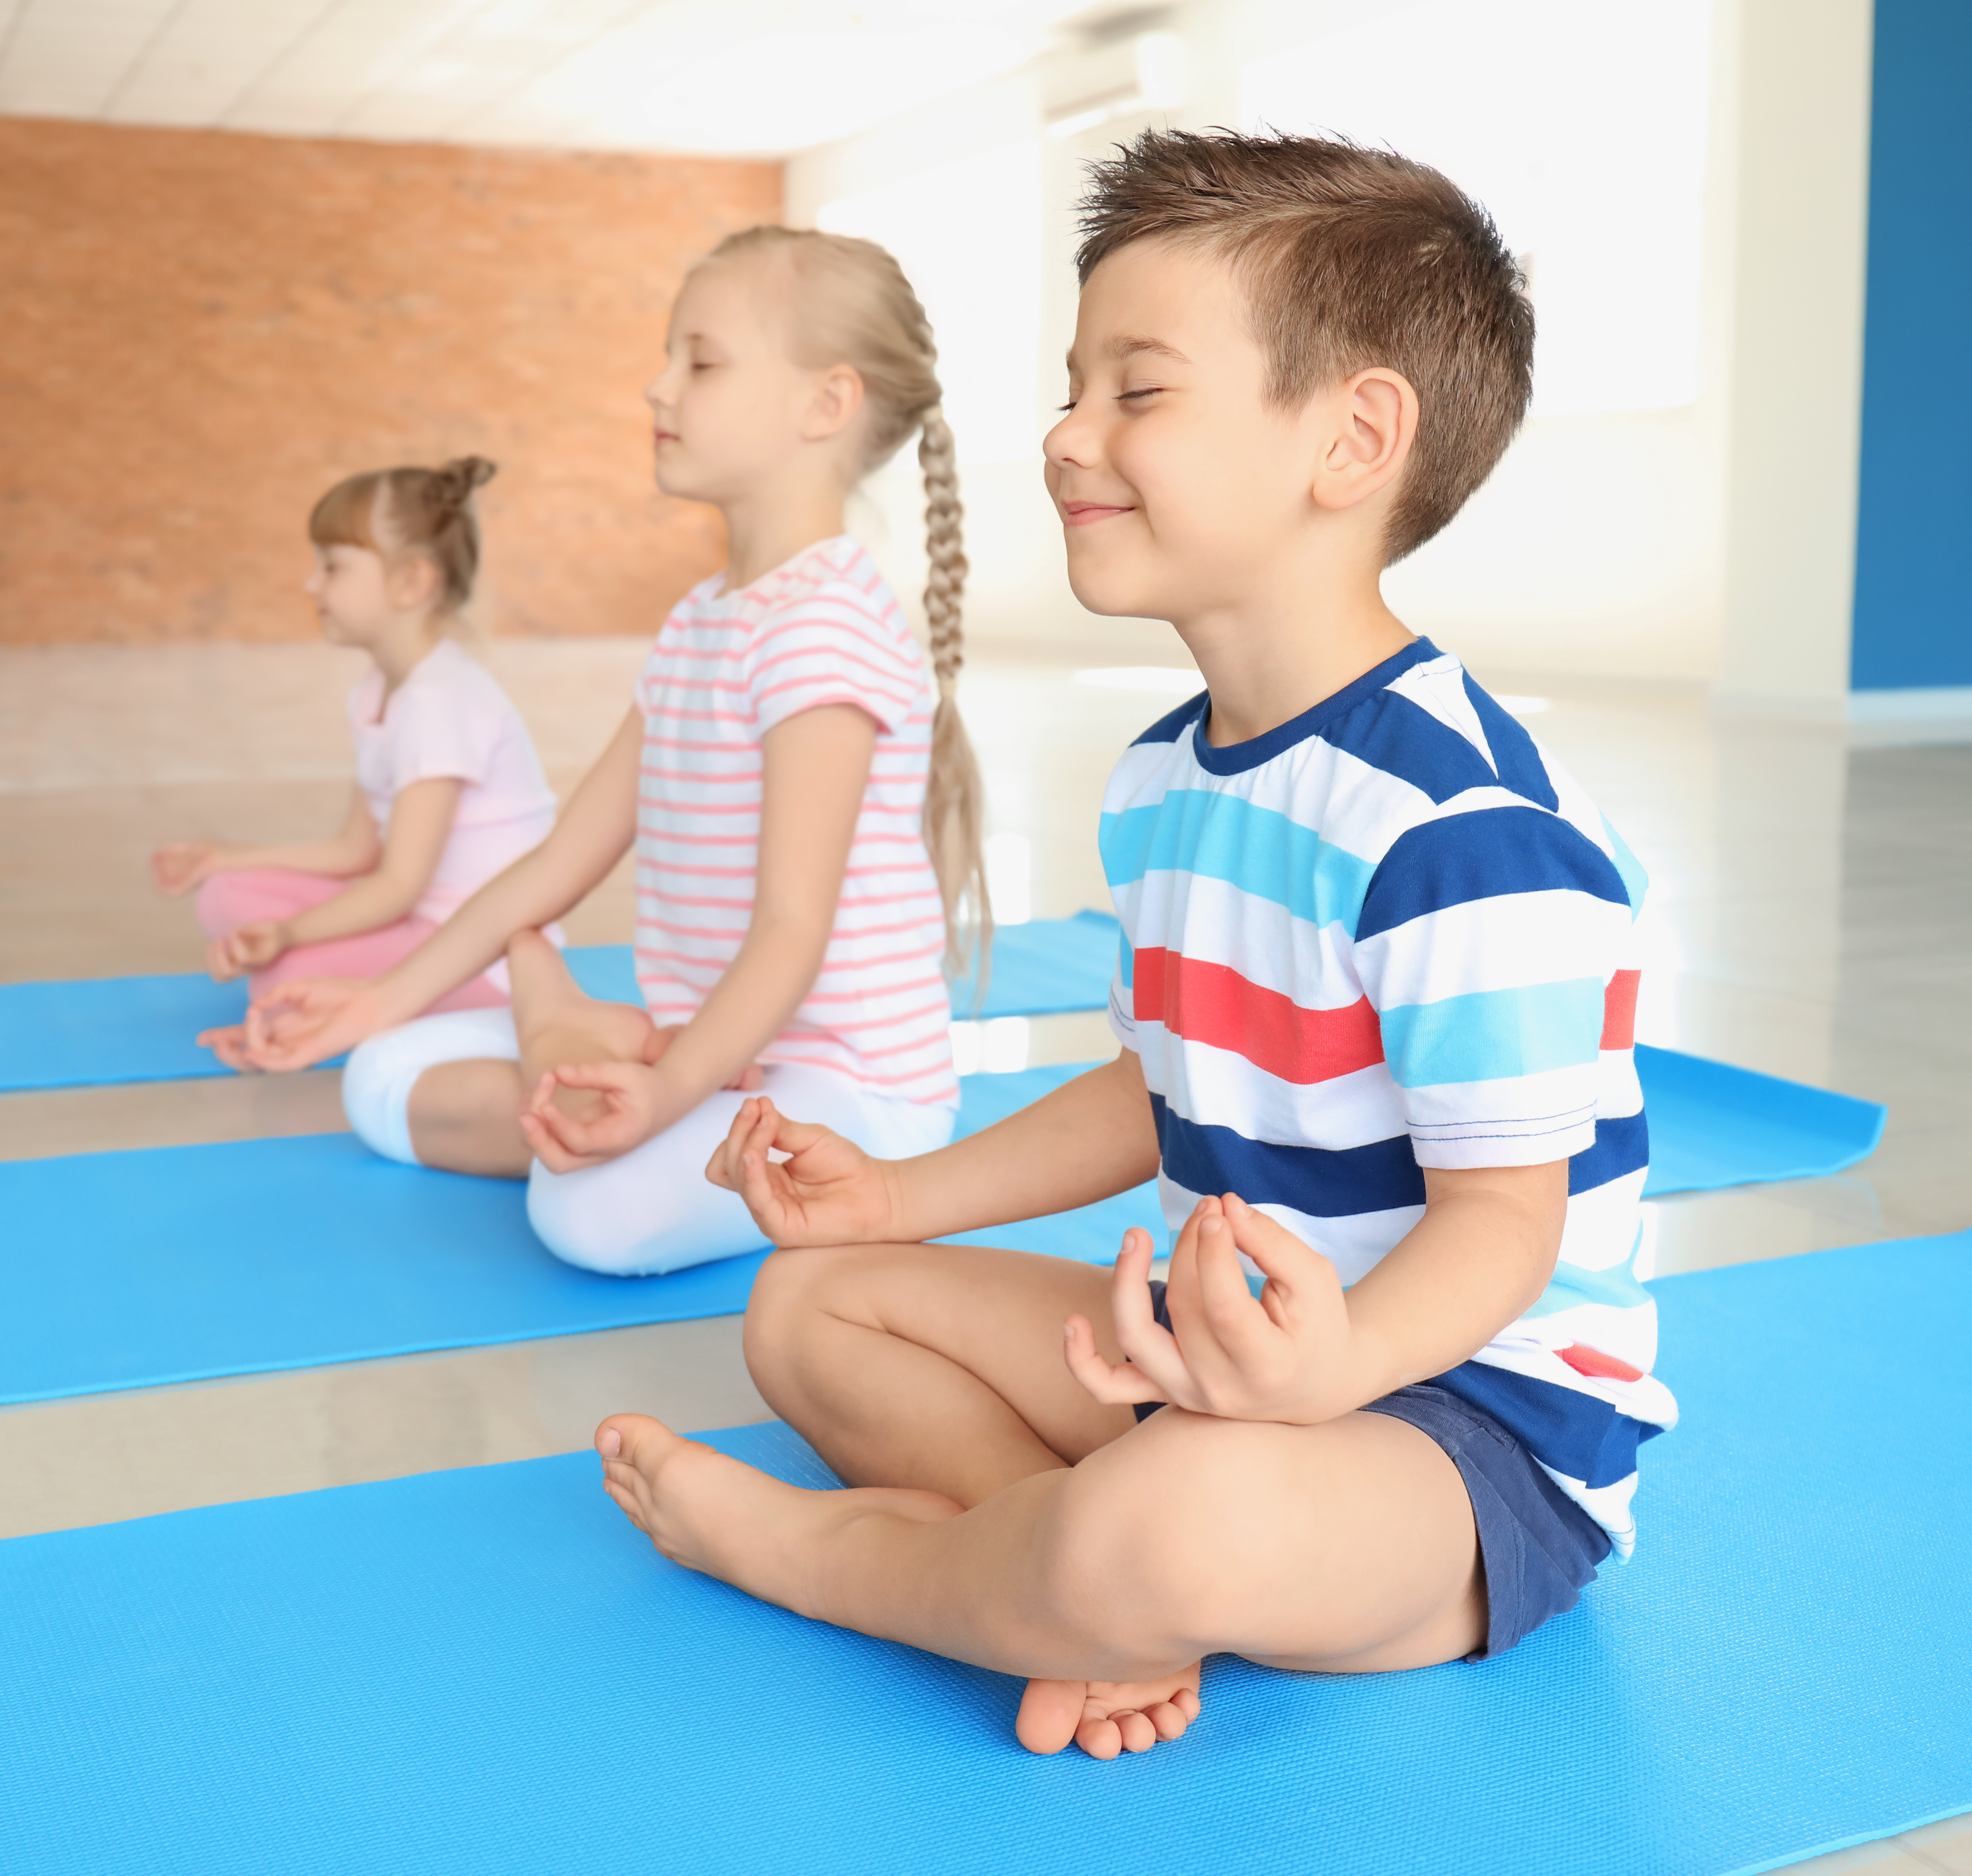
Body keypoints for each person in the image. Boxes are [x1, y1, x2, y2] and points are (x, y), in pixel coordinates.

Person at [590, 130, 1674, 1759]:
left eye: (1138, 391)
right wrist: (895, 1198)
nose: (1068, 434)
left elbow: (1510, 1220)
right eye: (1073, 383)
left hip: (1460, 1437)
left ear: (1354, 439)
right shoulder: (1167, 775)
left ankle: (826, 1559)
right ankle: (1073, 1596)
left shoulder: (1463, 826)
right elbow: (1154, 1081)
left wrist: (1333, 1372)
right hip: (1202, 1369)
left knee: (1174, 1520)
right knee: (810, 1304)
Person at [212, 228, 989, 1280]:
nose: (656, 386)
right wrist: (377, 999)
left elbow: (791, 928)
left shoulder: (823, 630)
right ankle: (573, 1046)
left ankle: (572, 1041)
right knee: (383, 1076)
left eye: (700, 362)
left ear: (827, 404)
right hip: (704, 1051)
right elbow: (556, 863)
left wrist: (664, 1097)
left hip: (846, 1088)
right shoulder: (703, 621)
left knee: (593, 1217)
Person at [151, 459, 555, 1017]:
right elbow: (355, 850)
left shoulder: (440, 703)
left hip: (479, 954)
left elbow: (399, 885)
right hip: (416, 920)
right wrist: (224, 856)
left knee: (287, 979)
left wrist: (288, 935)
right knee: (229, 893)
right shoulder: (378, 691)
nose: (310, 583)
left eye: (333, 567)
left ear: (410, 581)